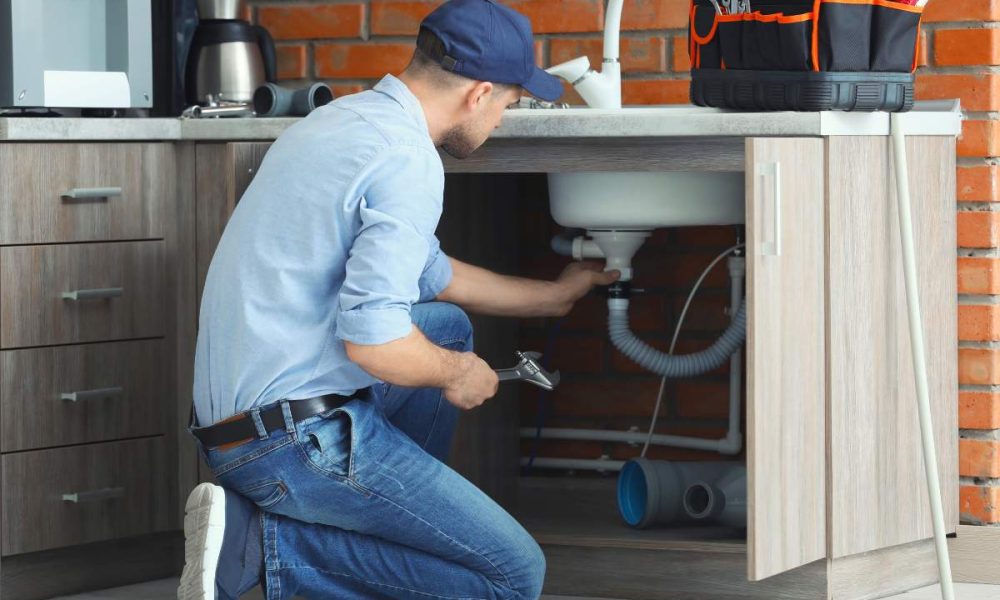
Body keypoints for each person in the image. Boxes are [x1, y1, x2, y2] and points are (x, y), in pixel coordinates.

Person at [177, 1, 619, 598]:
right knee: (514, 576)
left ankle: (386, 528)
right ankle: (260, 543)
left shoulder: (344, 119)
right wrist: (459, 373)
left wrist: (555, 297)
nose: (501, 121)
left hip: (236, 426)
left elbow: (434, 275)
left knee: (446, 326)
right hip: (288, 445)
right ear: (479, 94)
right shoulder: (408, 160)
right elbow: (376, 344)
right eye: (509, 105)